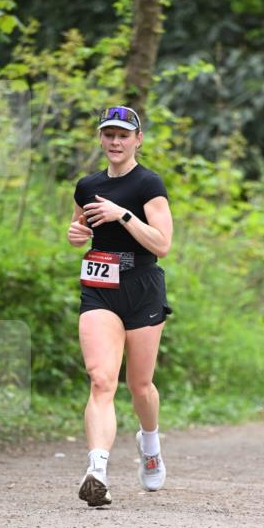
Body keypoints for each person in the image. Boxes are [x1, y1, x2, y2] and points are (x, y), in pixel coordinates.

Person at [67, 106, 173, 507]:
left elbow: (162, 244)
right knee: (100, 379)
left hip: (142, 285)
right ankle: (97, 470)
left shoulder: (149, 184)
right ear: (100, 138)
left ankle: (149, 445)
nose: (115, 142)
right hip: (99, 287)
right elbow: (78, 229)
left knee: (139, 385)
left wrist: (123, 214)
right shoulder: (87, 184)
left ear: (138, 140)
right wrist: (76, 234)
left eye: (123, 135)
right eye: (109, 134)